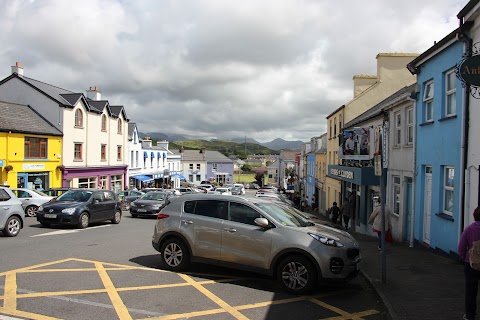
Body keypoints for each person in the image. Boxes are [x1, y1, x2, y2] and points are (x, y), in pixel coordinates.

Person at [458, 207, 480, 320]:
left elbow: (461, 247)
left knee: (471, 290)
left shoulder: (469, 229)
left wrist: (463, 258)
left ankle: (470, 315)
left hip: (471, 263)